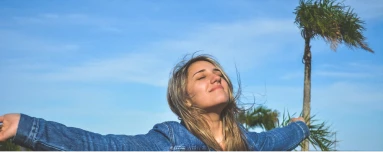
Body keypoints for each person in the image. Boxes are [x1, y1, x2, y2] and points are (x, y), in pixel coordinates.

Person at [0, 54, 309, 151]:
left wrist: (299, 128)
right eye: (201, 76)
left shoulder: (247, 142)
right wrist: (27, 127)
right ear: (185, 97)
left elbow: (278, 139)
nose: (215, 77)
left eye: (218, 73)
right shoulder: (172, 140)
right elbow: (105, 146)